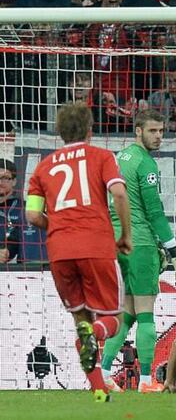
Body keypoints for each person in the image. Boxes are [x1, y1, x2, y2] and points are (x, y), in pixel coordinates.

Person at [25, 102, 133, 403]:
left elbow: (33, 216)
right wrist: (125, 235)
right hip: (95, 245)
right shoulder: (101, 156)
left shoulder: (43, 167)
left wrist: (58, 225)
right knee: (112, 319)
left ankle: (98, 390)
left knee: (81, 319)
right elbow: (120, 193)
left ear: (58, 132)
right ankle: (94, 336)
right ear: (90, 129)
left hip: (59, 251)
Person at [100, 110, 176, 394]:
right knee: (146, 312)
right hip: (139, 244)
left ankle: (102, 374)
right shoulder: (146, 165)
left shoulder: (117, 158)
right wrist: (175, 252)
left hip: (115, 244)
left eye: (162, 131)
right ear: (138, 130)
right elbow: (155, 213)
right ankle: (146, 380)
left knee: (126, 313)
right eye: (153, 131)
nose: (159, 136)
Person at [0, 159, 47, 264]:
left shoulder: (28, 210)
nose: (0, 182)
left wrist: (6, 252)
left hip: (26, 273)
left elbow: (14, 243)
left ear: (14, 181)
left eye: (4, 178)